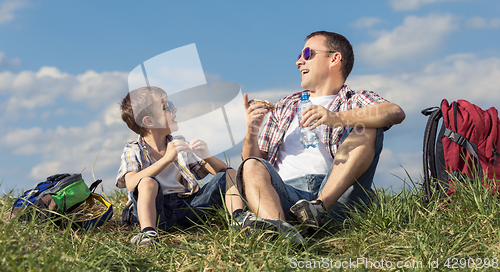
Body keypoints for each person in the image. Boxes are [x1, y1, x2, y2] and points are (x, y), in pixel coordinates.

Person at [237, 31, 405, 239]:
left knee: (367, 125)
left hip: (338, 197)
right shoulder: (283, 106)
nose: (299, 61)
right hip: (286, 194)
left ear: (334, 58)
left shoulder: (353, 100)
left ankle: (318, 209)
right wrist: (252, 131)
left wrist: (336, 118)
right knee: (251, 165)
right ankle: (282, 231)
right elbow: (253, 164)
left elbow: (395, 112)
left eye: (307, 53)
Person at [116, 86, 244, 246]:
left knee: (230, 173)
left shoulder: (179, 144)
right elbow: (131, 183)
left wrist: (207, 156)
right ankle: (148, 233)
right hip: (156, 212)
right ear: (148, 121)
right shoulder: (133, 149)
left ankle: (240, 219)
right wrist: (166, 159)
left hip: (186, 207)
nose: (174, 109)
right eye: (166, 107)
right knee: (147, 182)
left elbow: (221, 172)